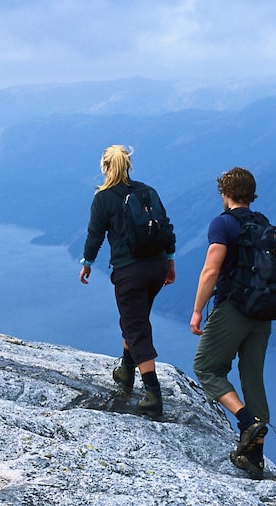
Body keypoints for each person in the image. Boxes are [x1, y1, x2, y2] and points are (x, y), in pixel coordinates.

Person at [79, 145, 176, 418]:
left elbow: (95, 234)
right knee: (134, 318)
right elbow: (166, 229)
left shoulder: (104, 198)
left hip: (129, 271)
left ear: (105, 167)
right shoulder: (148, 191)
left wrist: (87, 263)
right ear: (128, 166)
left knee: (136, 326)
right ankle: (125, 371)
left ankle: (152, 395)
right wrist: (170, 264)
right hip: (156, 267)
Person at [189, 167, 271, 479]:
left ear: (226, 194)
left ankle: (247, 422)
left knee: (206, 367)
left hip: (234, 308)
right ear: (251, 194)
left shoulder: (224, 223)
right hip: (263, 313)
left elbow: (211, 269)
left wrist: (197, 310)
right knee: (253, 378)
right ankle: (254, 457)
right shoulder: (264, 224)